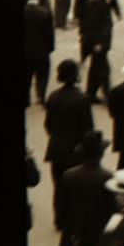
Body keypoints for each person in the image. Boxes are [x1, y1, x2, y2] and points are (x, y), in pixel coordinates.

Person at [44, 59, 95, 231]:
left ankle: (59, 218)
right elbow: (87, 128)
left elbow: (49, 125)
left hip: (56, 148)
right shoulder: (81, 99)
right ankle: (72, 220)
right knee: (75, 188)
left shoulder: (53, 97)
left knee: (59, 186)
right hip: (76, 150)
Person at [25, 0, 56, 106]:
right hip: (41, 51)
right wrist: (50, 48)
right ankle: (41, 96)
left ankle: (26, 99)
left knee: (26, 75)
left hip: (25, 52)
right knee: (42, 75)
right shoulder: (45, 13)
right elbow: (49, 33)